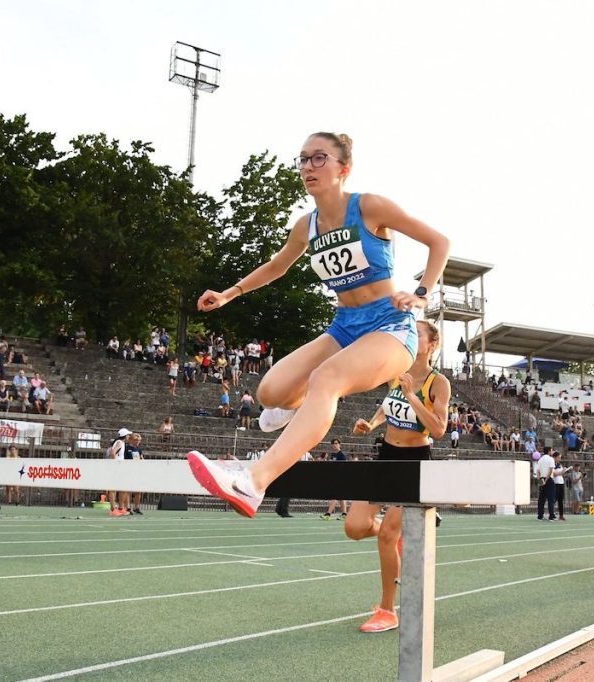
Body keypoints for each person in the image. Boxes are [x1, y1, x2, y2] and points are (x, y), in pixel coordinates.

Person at [187, 131, 451, 517]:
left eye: (319, 158)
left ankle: (254, 482)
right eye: (303, 159)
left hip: (390, 327)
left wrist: (422, 293)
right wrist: (231, 293)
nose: (308, 166)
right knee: (271, 392)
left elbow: (439, 242)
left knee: (325, 380)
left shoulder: (369, 207)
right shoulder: (306, 226)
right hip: (345, 325)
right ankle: (296, 413)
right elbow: (277, 267)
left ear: (344, 168)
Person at [343, 320, 450, 633]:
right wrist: (372, 424)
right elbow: (386, 407)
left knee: (388, 536)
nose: (411, 338)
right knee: (355, 527)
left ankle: (388, 610)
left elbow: (440, 429)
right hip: (386, 456)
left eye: (418, 334)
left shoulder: (438, 382)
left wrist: (413, 396)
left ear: (432, 345)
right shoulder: (395, 373)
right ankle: (400, 534)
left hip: (415, 464)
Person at [321, 438, 349, 520]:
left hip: (341, 479)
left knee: (335, 496)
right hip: (335, 478)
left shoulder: (342, 455)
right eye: (333, 443)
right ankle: (344, 514)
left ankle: (328, 514)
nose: (335, 445)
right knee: (341, 497)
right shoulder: (333, 455)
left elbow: (344, 468)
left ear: (340, 444)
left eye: (336, 443)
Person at [535, 447, 558, 521]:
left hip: (542, 478)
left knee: (541, 499)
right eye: (551, 450)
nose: (552, 451)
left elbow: (538, 471)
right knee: (551, 498)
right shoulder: (550, 459)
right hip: (549, 479)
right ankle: (551, 515)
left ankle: (540, 515)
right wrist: (547, 479)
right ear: (549, 451)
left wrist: (540, 480)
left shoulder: (540, 459)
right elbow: (551, 470)